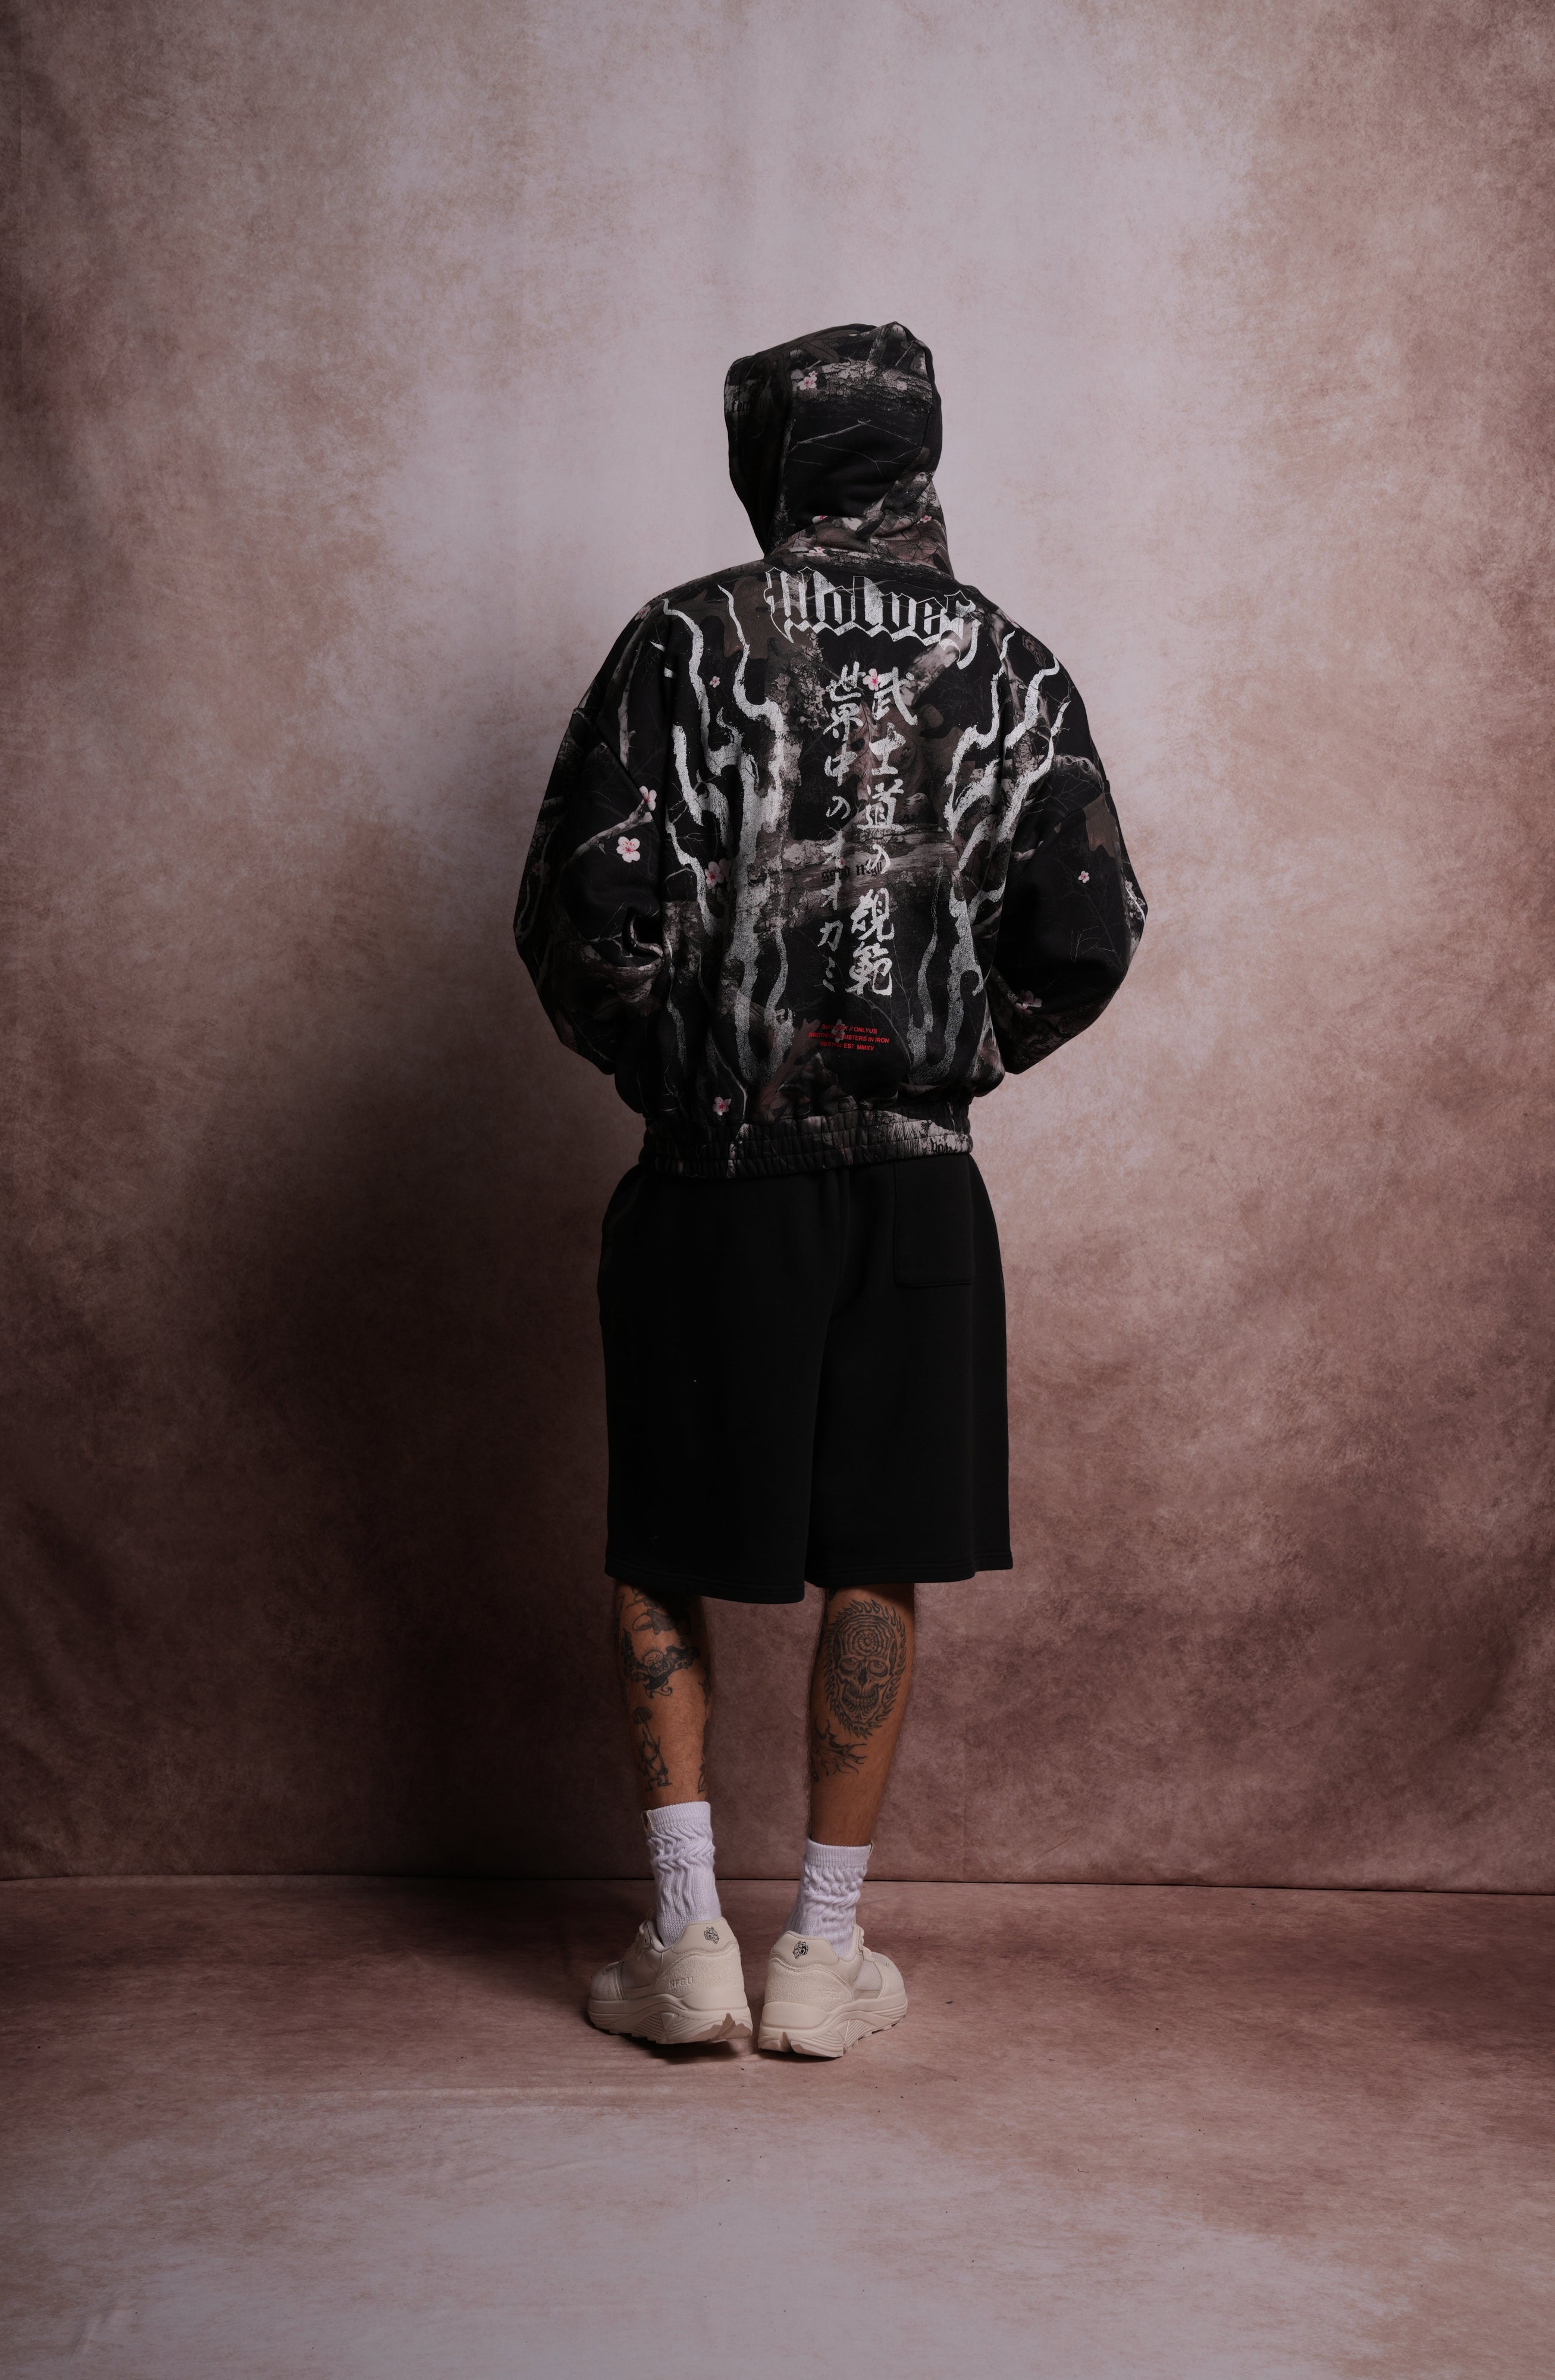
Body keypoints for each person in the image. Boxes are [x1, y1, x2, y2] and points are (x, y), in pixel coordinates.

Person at [514, 321, 1146, 2057]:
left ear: (769, 463)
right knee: (882, 1544)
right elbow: (1087, 933)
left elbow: (581, 916)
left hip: (715, 1166)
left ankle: (684, 1943)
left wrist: (683, 1064)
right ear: (920, 455)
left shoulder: (684, 638)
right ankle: (823, 1952)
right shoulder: (1011, 665)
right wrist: (946, 1047)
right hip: (918, 1182)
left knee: (664, 1536)